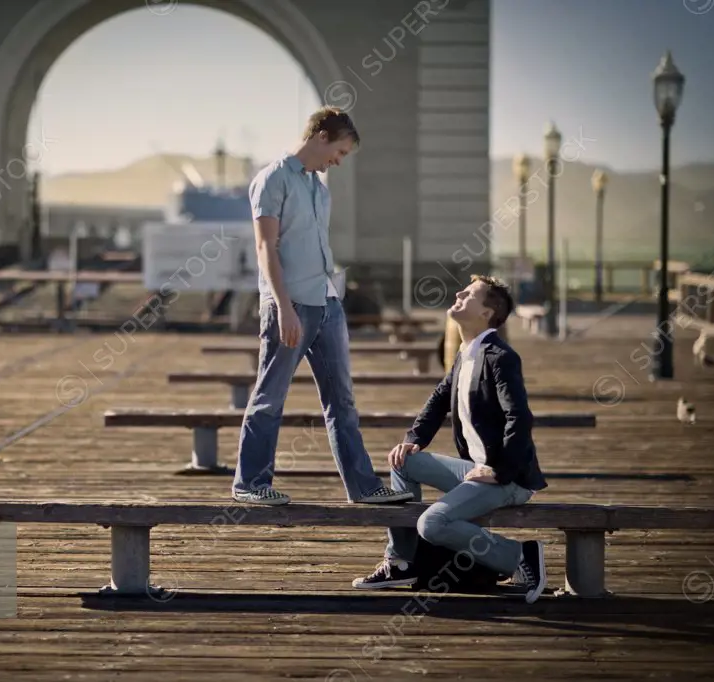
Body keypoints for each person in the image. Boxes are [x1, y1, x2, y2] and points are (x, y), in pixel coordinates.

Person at [231, 107, 411, 507]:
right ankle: (250, 483)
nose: (338, 161)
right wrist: (283, 308)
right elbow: (266, 248)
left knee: (342, 400)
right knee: (270, 395)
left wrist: (332, 297)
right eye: (340, 152)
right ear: (321, 136)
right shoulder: (271, 179)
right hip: (290, 303)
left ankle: (363, 487)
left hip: (328, 302)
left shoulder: (320, 189)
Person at [351, 275, 549, 603]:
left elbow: (520, 418)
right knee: (404, 461)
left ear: (487, 313)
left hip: (508, 478)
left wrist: (499, 471)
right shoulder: (465, 352)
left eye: (469, 294)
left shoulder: (501, 357)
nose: (458, 294)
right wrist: (414, 439)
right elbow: (439, 399)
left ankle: (518, 556)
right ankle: (402, 561)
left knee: (432, 524)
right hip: (477, 470)